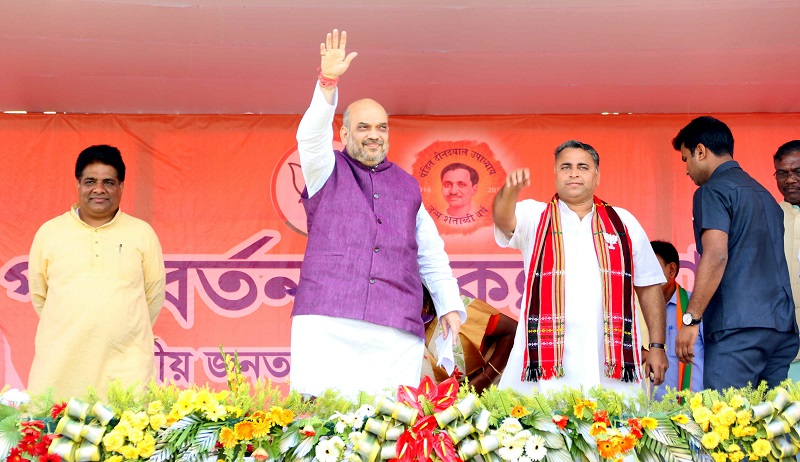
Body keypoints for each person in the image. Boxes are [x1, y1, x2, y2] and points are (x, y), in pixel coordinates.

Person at [290, 30, 465, 398]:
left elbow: (431, 254)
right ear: (344, 132)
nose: (375, 135)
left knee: (390, 428)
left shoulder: (408, 187)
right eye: (364, 127)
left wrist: (449, 305)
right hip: (328, 319)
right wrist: (327, 83)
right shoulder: (325, 169)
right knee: (320, 426)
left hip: (394, 326)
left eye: (382, 127)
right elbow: (309, 136)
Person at [492, 140, 668, 395]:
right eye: (566, 166)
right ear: (555, 173)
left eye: (582, 167)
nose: (574, 173)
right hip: (545, 364)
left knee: (616, 433)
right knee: (540, 430)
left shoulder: (623, 222)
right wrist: (508, 191)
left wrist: (657, 346)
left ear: (597, 175)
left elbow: (649, 286)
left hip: (610, 363)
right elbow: (502, 218)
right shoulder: (535, 216)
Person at [27, 145, 166, 399]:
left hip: (126, 368)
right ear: (78, 184)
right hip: (61, 366)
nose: (99, 189)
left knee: (130, 437)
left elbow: (153, 296)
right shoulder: (50, 232)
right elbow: (40, 296)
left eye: (108, 182)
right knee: (53, 435)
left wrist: (121, 326)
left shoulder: (141, 233)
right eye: (90, 181)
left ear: (121, 187)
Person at [672, 116, 798, 391]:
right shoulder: (765, 196)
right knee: (771, 426)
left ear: (701, 151)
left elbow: (716, 255)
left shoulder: (712, 190)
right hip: (781, 328)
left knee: (724, 423)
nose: (686, 170)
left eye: (686, 159)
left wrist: (691, 319)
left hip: (738, 328)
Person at [421, 287, 516, 394]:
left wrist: (486, 377)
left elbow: (512, 330)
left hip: (504, 385)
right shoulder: (405, 341)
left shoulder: (457, 312)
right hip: (460, 406)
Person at [649, 240, 704, 400]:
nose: (643, 273)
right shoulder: (636, 309)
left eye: (650, 266)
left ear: (671, 270)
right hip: (656, 416)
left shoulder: (696, 307)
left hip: (695, 413)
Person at [773, 140, 800, 382]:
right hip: (783, 348)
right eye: (782, 173)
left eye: (797, 172)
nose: (790, 180)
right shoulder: (768, 216)